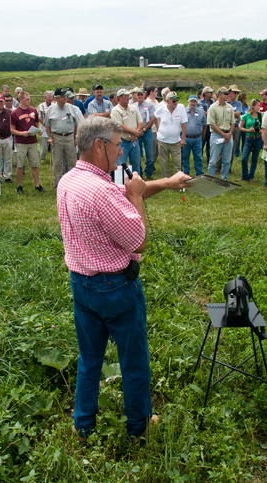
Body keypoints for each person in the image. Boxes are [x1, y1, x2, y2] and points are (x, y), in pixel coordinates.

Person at [56, 116, 192, 446]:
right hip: (116, 287)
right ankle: (139, 428)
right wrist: (139, 197)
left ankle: (83, 425)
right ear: (99, 145)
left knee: (90, 359)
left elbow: (125, 193)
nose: (121, 152)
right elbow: (138, 239)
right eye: (118, 145)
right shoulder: (102, 192)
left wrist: (166, 183)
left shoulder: (70, 181)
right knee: (133, 362)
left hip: (82, 285)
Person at [45, 87, 81, 187]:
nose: (64, 98)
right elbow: (47, 125)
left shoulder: (71, 107)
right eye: (62, 96)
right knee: (57, 162)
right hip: (57, 137)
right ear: (56, 98)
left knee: (72, 161)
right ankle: (58, 183)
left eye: (65, 96)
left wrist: (75, 137)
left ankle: (72, 184)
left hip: (69, 137)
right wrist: (49, 137)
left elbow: (76, 123)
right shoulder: (51, 109)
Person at [11, 91, 45, 194]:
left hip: (32, 141)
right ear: (21, 99)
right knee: (20, 165)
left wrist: (39, 130)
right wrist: (22, 133)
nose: (29, 101)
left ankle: (37, 184)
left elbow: (37, 124)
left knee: (35, 163)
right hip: (21, 142)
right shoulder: (15, 113)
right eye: (27, 99)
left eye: (29, 99)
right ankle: (19, 185)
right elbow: (12, 130)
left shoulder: (33, 111)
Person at [154, 92, 187, 178]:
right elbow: (155, 116)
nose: (176, 102)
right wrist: (158, 128)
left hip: (176, 141)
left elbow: (184, 124)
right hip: (162, 141)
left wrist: (183, 139)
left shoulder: (181, 108)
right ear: (167, 101)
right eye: (173, 101)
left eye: (177, 100)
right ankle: (166, 182)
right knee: (164, 163)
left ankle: (178, 181)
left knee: (177, 163)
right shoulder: (161, 109)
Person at [111, 89, 144, 176]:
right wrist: (135, 133)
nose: (127, 98)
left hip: (134, 141)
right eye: (125, 96)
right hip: (122, 142)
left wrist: (135, 134)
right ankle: (121, 184)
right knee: (121, 165)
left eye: (128, 96)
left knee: (136, 164)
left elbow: (140, 122)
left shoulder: (133, 108)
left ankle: (137, 183)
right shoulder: (116, 110)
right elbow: (120, 126)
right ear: (119, 98)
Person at [207, 87, 235, 180]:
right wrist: (224, 134)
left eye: (228, 94)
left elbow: (233, 122)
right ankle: (210, 179)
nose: (228, 95)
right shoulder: (213, 107)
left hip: (228, 135)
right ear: (220, 95)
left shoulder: (229, 107)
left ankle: (224, 179)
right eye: (226, 94)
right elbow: (212, 124)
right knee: (213, 161)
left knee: (227, 161)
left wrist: (229, 134)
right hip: (216, 135)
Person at [132, 88, 156, 179]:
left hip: (147, 131)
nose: (140, 96)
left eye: (141, 94)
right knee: (136, 155)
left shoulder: (150, 105)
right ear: (135, 95)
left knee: (150, 154)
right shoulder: (132, 106)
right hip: (136, 131)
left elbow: (152, 119)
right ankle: (139, 174)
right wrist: (138, 131)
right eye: (138, 94)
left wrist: (144, 130)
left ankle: (148, 174)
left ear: (144, 95)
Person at [238, 98, 262, 182]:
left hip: (258, 138)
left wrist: (259, 130)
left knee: (254, 158)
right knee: (244, 158)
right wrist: (248, 130)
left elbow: (264, 128)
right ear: (253, 106)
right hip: (248, 138)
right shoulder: (246, 115)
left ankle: (251, 175)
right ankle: (244, 175)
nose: (259, 107)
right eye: (258, 105)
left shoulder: (260, 115)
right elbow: (240, 128)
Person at [182, 95, 206, 176]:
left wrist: (203, 136)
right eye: (191, 101)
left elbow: (205, 125)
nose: (193, 103)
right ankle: (185, 174)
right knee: (185, 157)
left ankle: (199, 174)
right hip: (186, 138)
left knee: (198, 157)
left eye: (194, 101)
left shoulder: (201, 112)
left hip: (197, 138)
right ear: (188, 102)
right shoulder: (183, 111)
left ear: (197, 102)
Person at [227, 85, 243, 161]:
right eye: (234, 92)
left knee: (233, 147)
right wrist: (235, 114)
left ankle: (229, 166)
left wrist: (228, 112)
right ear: (229, 92)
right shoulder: (225, 102)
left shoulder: (238, 103)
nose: (236, 94)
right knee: (224, 148)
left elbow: (239, 114)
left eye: (237, 93)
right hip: (227, 127)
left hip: (236, 127)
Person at [38, 91, 54, 161]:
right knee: (44, 146)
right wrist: (46, 124)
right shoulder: (41, 106)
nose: (51, 98)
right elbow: (39, 118)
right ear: (45, 98)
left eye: (51, 97)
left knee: (54, 145)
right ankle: (42, 159)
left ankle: (54, 158)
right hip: (44, 128)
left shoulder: (54, 105)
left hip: (53, 128)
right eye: (49, 97)